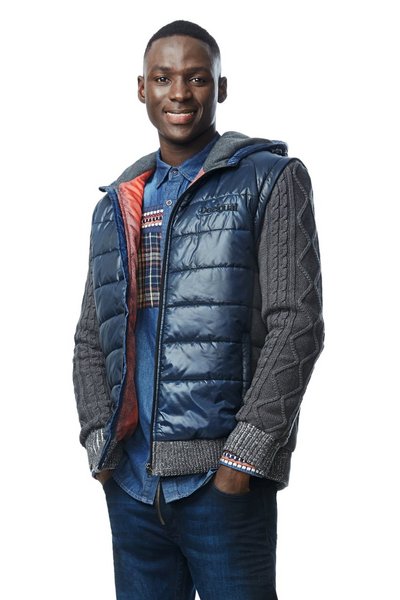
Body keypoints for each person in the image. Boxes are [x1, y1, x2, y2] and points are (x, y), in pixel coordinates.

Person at [73, 20, 324, 600]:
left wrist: (245, 457)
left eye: (197, 78)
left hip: (223, 485)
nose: (180, 93)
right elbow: (91, 337)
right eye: (163, 79)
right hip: (132, 485)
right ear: (142, 89)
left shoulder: (270, 179)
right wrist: (99, 444)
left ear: (221, 87)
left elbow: (297, 323)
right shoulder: (117, 203)